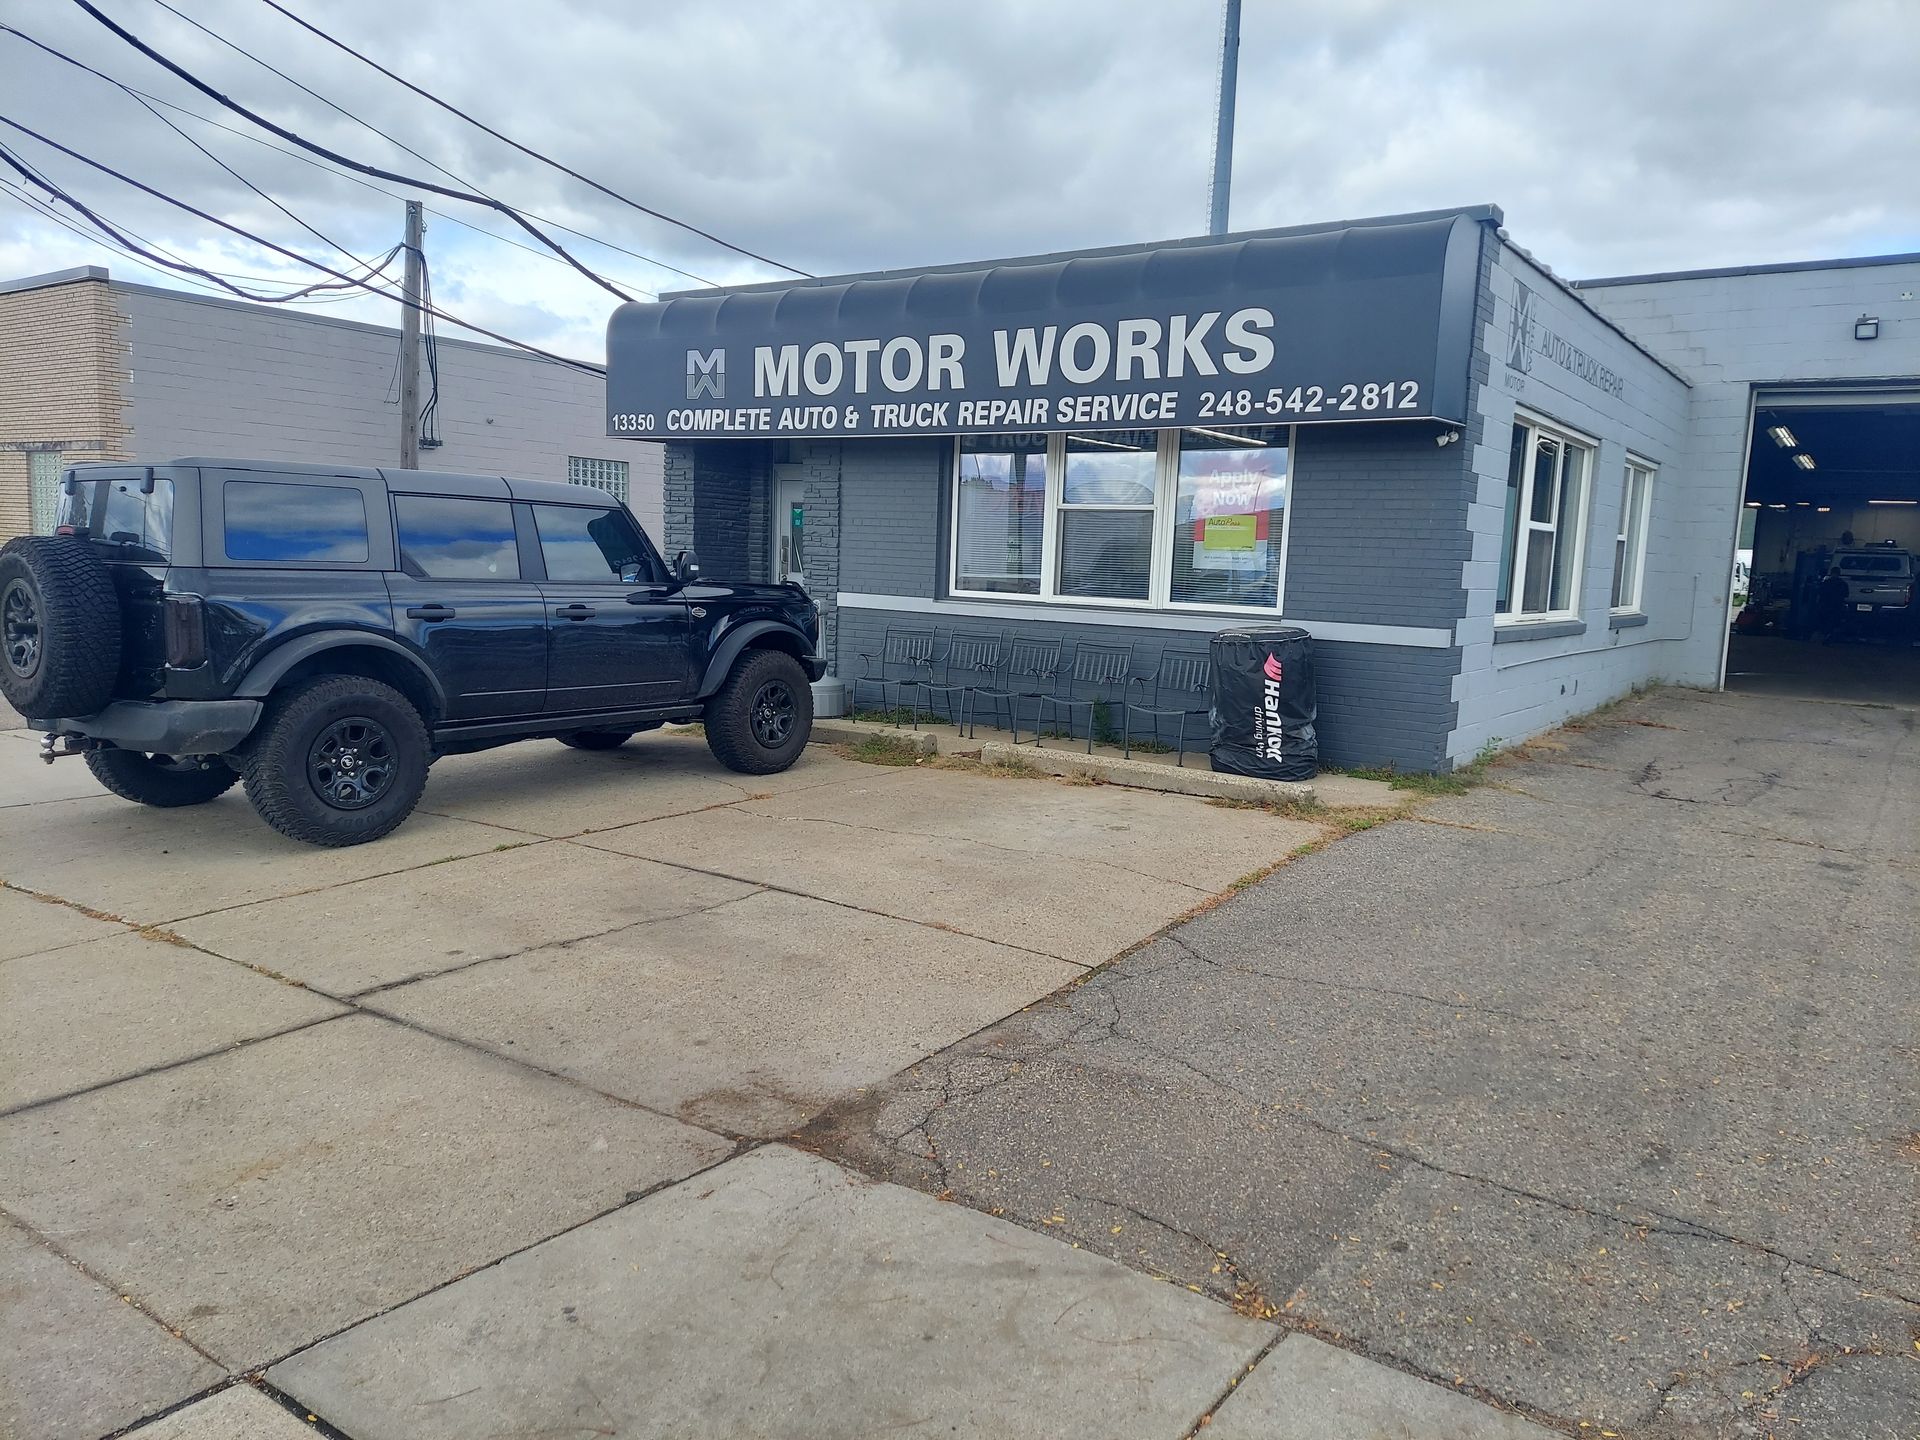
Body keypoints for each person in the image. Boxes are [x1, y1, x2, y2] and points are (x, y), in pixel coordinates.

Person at [1817, 566, 1851, 642]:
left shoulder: (1826, 583)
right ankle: (1829, 635)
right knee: (1834, 621)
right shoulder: (1842, 584)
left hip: (1826, 605)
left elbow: (1820, 593)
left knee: (1825, 620)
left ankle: (1826, 635)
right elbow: (1846, 594)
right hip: (1837, 606)